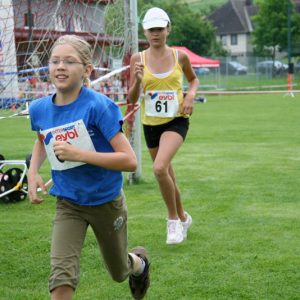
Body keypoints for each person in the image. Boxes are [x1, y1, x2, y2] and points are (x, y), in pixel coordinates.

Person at [27, 35, 150, 300]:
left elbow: (129, 160)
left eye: (70, 61)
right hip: (68, 203)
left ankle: (139, 263)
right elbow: (41, 138)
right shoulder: (39, 109)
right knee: (61, 278)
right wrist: (33, 170)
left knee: (119, 272)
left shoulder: (99, 107)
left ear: (87, 70)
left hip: (106, 201)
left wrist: (78, 154)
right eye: (55, 61)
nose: (60, 66)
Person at [128, 7, 199, 245]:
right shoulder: (138, 59)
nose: (155, 34)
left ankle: (173, 222)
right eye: (151, 30)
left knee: (159, 169)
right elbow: (131, 98)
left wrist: (190, 96)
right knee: (168, 175)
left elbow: (194, 79)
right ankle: (183, 216)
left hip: (176, 121)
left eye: (159, 29)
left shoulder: (180, 56)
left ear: (168, 29)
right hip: (151, 125)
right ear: (145, 32)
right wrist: (138, 82)